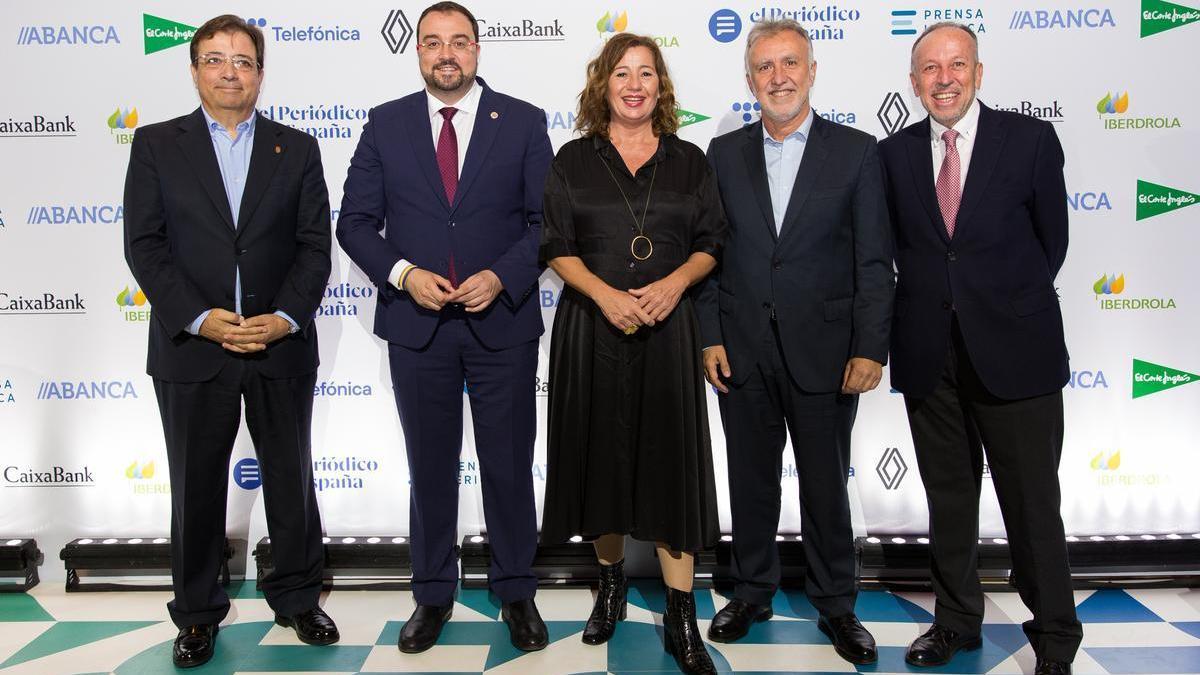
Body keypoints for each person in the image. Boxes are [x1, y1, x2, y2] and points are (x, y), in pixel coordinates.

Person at [336, 1, 552, 655]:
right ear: (418, 52)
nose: (446, 53)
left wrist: (502, 275)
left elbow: (547, 222)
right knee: (429, 469)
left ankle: (516, 591)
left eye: (459, 41)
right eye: (433, 42)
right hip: (418, 326)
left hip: (502, 323)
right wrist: (402, 273)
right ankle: (432, 595)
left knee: (509, 466)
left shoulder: (521, 121)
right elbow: (353, 221)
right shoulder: (385, 124)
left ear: (478, 51)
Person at [123, 14, 338, 669]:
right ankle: (195, 612)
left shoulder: (296, 148)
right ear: (194, 71)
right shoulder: (158, 144)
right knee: (194, 487)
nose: (229, 71)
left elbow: (313, 246)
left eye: (242, 60)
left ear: (261, 73)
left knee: (291, 479)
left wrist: (286, 317)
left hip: (279, 344)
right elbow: (146, 245)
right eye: (215, 59)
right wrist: (200, 317)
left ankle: (299, 596)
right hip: (194, 349)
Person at [877, 22, 1082, 675]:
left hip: (1016, 352)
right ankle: (957, 622)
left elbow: (1053, 241)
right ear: (914, 83)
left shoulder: (1029, 139)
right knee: (949, 499)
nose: (944, 78)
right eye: (930, 68)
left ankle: (1054, 635)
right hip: (928, 355)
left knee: (1031, 503)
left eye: (956, 64)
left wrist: (1000, 305)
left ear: (978, 72)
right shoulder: (894, 154)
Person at [697, 18, 893, 666]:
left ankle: (837, 603)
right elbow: (707, 256)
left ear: (811, 71)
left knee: (824, 485)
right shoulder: (723, 155)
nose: (778, 77)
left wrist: (871, 345)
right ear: (749, 79)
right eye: (764, 67)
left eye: (789, 64)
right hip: (743, 348)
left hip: (829, 351)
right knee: (751, 480)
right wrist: (709, 336)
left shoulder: (858, 151)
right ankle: (752, 589)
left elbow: (873, 261)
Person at [540, 33, 726, 675]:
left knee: (672, 467)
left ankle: (681, 617)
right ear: (604, 83)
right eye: (622, 72)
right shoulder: (572, 160)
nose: (634, 84)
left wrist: (675, 283)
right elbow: (556, 245)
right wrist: (603, 293)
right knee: (598, 463)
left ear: (660, 86)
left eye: (647, 73)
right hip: (592, 329)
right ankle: (612, 583)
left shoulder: (690, 161)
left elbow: (711, 242)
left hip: (667, 334)